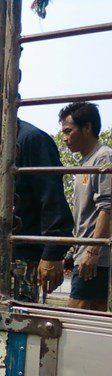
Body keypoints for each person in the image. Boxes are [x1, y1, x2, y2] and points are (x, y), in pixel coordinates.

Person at [0, 82, 74, 301]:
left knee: (18, 315)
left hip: (24, 257)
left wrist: (53, 253)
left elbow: (52, 200)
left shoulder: (32, 140)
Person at [59, 102, 111, 311]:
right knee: (95, 318)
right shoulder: (85, 163)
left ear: (87, 127)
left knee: (73, 316)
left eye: (68, 131)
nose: (64, 138)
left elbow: (107, 207)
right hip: (86, 253)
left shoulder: (103, 157)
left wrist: (92, 251)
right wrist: (73, 251)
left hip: (95, 257)